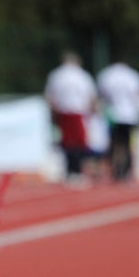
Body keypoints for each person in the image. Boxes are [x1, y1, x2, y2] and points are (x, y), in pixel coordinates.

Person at [44, 51, 97, 185]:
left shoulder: (56, 75)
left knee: (66, 142)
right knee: (79, 143)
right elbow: (91, 97)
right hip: (79, 112)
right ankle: (77, 171)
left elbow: (50, 96)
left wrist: (52, 113)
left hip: (63, 112)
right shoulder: (83, 76)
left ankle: (69, 171)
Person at [96, 59, 139, 182]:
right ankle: (124, 170)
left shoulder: (107, 74)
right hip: (129, 116)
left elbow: (101, 94)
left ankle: (116, 170)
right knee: (126, 145)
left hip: (112, 115)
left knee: (114, 143)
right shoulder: (132, 75)